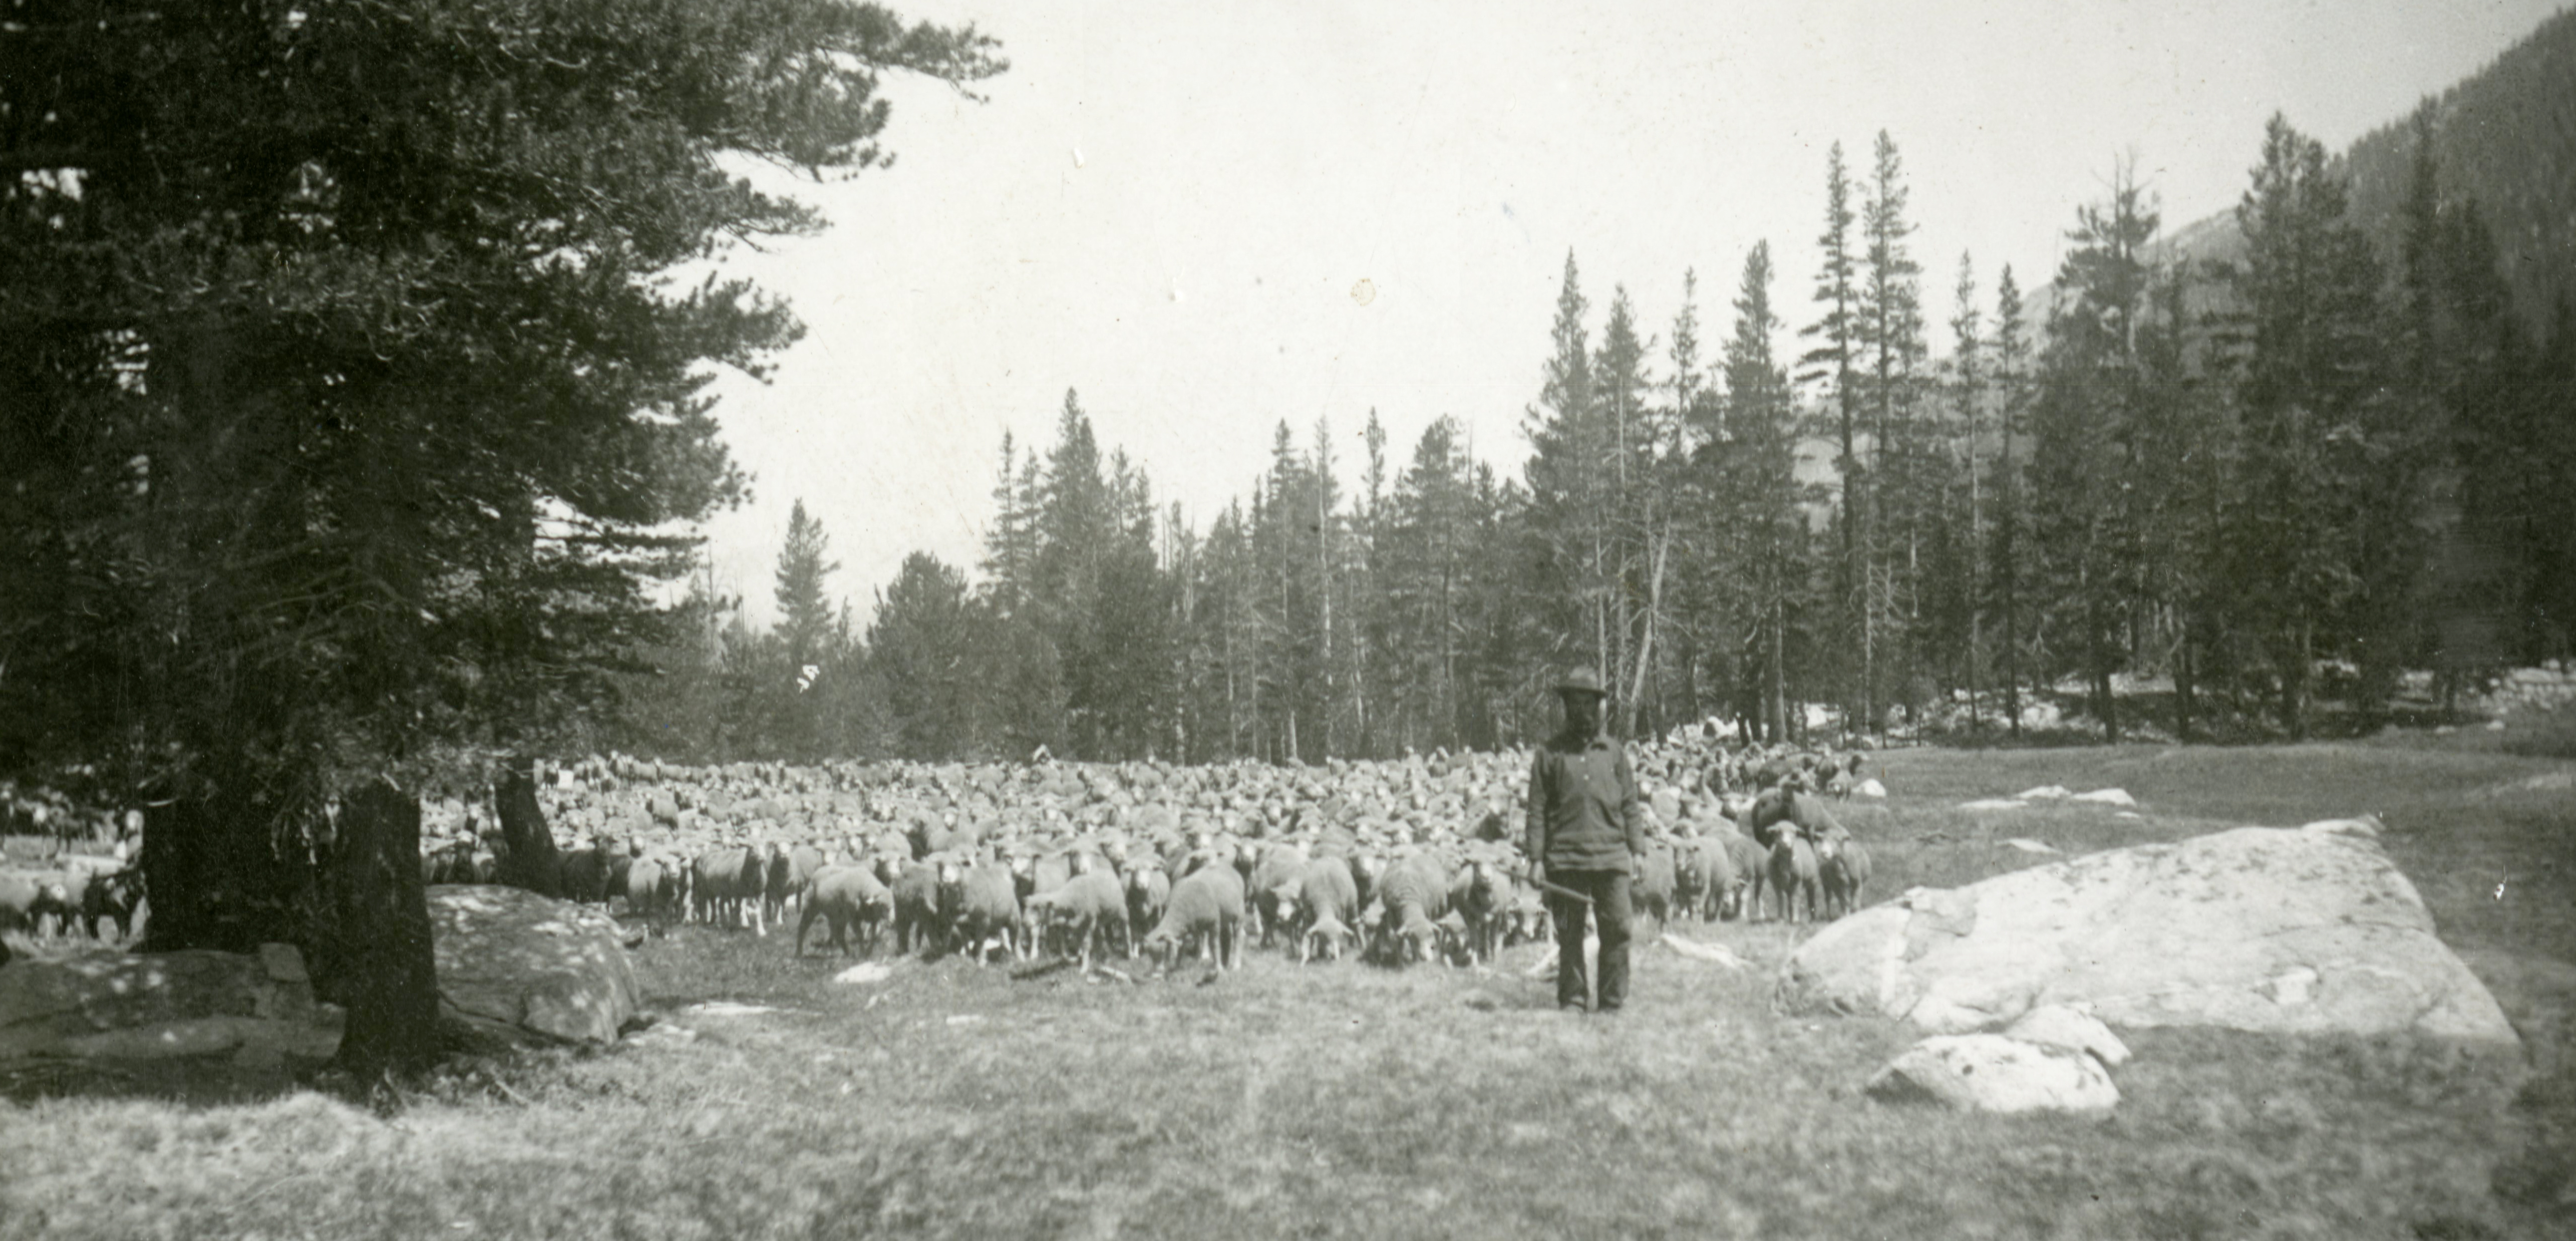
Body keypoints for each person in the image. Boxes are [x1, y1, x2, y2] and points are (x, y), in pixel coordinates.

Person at [1524, 666, 1643, 1015]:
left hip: (1611, 857)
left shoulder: (1615, 752)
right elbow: (1536, 809)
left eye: (1589, 703)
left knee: (1618, 929)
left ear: (1598, 707)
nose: (1583, 710)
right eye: (1576, 703)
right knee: (1569, 933)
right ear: (1567, 707)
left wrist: (1638, 851)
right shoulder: (1549, 754)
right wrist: (1536, 859)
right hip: (1565, 859)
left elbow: (1630, 805)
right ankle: (1574, 999)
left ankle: (1612, 1001)